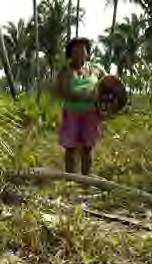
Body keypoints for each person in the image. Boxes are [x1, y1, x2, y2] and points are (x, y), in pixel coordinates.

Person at [57, 37, 106, 175]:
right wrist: (89, 96)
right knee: (70, 147)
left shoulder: (96, 69)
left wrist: (104, 104)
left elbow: (109, 84)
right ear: (70, 54)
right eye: (76, 52)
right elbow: (64, 92)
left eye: (83, 51)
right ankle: (71, 180)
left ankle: (86, 179)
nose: (79, 55)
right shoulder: (65, 71)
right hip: (72, 112)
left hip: (91, 114)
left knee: (88, 147)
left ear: (88, 53)